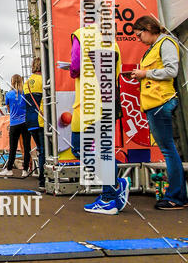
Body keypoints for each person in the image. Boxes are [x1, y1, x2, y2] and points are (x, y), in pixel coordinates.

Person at [68, 23, 128, 214]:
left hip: (88, 105)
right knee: (104, 151)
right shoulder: (114, 43)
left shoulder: (81, 35)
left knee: (79, 149)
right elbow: (117, 72)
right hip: (108, 103)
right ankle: (112, 191)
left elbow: (75, 67)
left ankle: (111, 194)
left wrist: (72, 71)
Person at [132, 15, 187, 209]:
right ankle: (178, 194)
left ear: (147, 29)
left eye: (139, 35)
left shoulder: (166, 43)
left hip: (161, 102)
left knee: (168, 150)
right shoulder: (158, 46)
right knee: (169, 150)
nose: (139, 39)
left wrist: (145, 74)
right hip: (157, 102)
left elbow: (171, 71)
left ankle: (176, 196)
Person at [0, 74, 32, 177]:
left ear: (12, 82)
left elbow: (8, 108)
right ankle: (25, 170)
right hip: (25, 122)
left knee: (13, 147)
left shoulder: (9, 95)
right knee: (27, 147)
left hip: (14, 123)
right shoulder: (25, 93)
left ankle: (9, 169)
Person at [24, 57, 45, 191]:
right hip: (41, 119)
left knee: (39, 149)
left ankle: (42, 180)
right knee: (44, 151)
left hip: (29, 120)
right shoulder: (43, 80)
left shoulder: (26, 83)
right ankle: (43, 180)